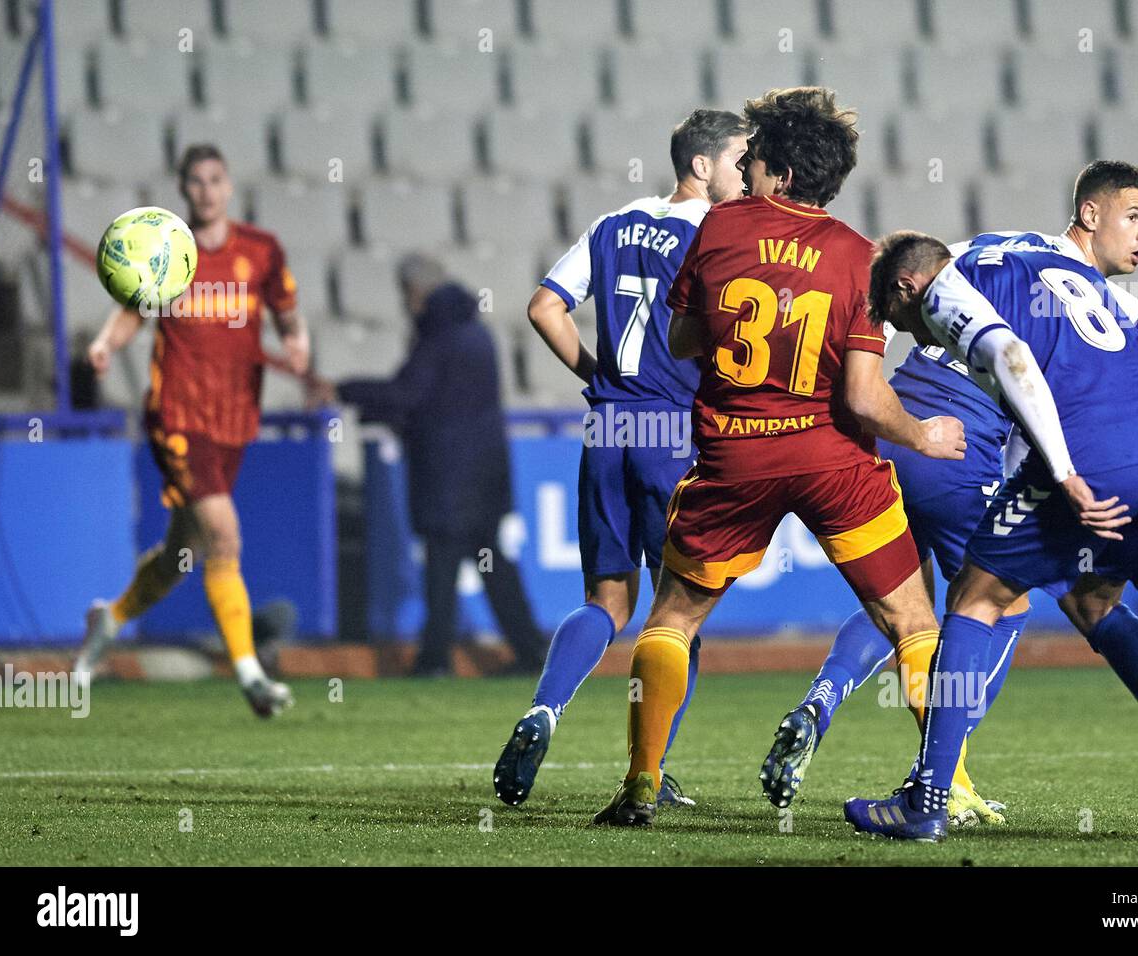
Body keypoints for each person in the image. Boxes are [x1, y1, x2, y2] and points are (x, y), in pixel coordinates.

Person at [764, 161, 1138, 824]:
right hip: (967, 444)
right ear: (1089, 216)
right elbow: (1133, 342)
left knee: (907, 598)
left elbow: (895, 312)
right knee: (998, 604)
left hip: (906, 423)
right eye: (1136, 218)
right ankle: (946, 782)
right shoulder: (1073, 280)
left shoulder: (990, 246)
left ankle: (824, 705)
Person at [592, 87, 969, 827]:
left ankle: (641, 783)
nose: (749, 171)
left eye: (755, 158)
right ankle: (942, 787)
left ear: (782, 173)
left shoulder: (721, 228)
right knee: (913, 620)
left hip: (734, 460)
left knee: (672, 617)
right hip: (833, 463)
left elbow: (682, 342)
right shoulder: (861, 257)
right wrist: (923, 435)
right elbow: (863, 397)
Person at [492, 108, 749, 810]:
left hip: (607, 426)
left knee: (606, 600)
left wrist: (601, 378)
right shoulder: (718, 232)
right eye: (738, 159)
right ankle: (648, 771)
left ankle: (544, 710)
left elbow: (544, 307)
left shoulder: (613, 223)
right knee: (680, 613)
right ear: (702, 165)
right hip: (672, 432)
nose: (747, 174)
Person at [75, 143, 307, 717]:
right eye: (196, 182)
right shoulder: (165, 249)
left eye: (215, 180)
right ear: (183, 189)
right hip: (178, 418)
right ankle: (252, 675)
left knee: (185, 551)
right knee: (225, 535)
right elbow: (135, 305)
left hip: (234, 420)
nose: (206, 191)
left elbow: (285, 309)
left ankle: (113, 616)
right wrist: (106, 344)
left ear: (229, 186)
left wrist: (298, 342)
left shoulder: (261, 250)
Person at [317, 254, 547, 676]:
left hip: (449, 477)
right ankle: (528, 651)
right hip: (483, 474)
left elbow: (409, 395)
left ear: (414, 293)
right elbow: (438, 402)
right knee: (493, 566)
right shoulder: (476, 334)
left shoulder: (439, 339)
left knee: (443, 566)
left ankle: (435, 658)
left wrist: (346, 391)